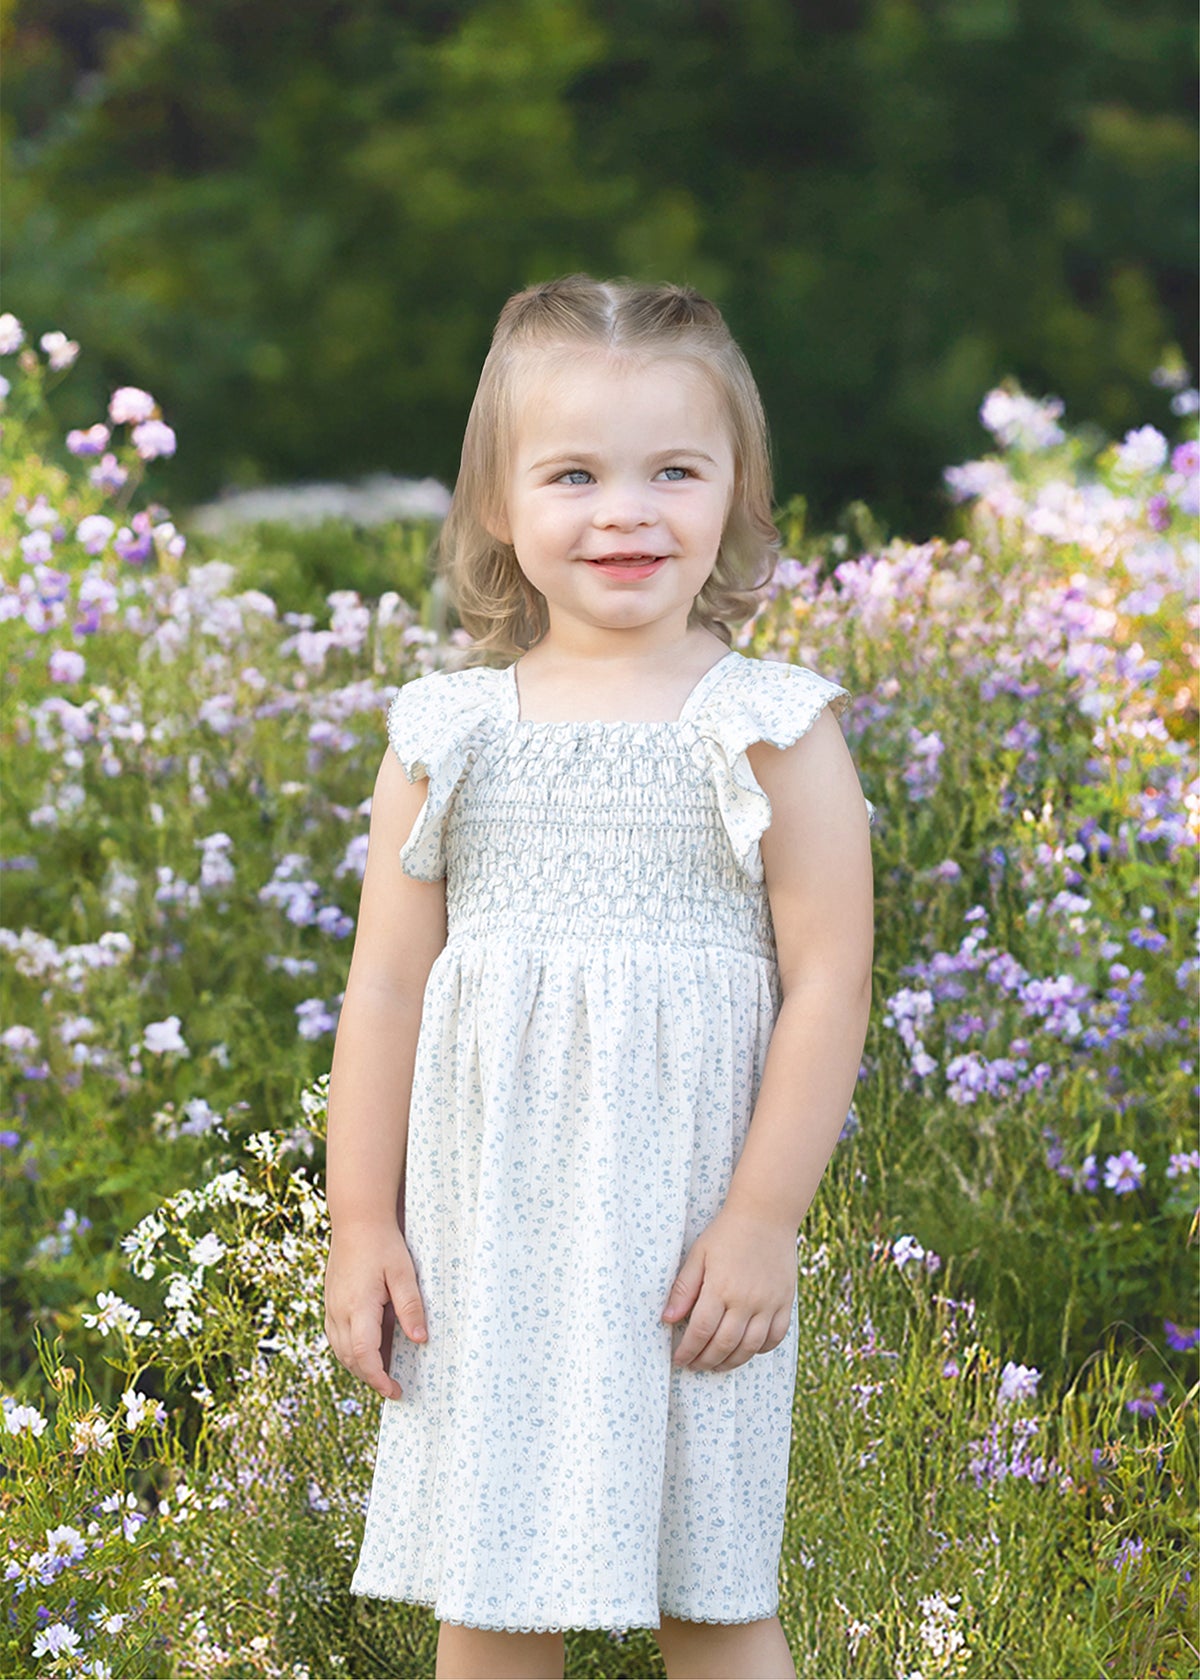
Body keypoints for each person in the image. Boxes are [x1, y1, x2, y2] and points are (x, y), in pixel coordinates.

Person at [323, 275, 875, 1680]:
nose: (626, 511)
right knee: (497, 1596)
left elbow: (828, 986)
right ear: (500, 505)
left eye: (672, 472)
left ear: (734, 491)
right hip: (486, 1235)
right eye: (574, 474)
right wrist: (360, 1228)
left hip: (691, 1239)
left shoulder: (770, 727)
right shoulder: (450, 731)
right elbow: (384, 994)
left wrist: (762, 1225)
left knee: (714, 1589)